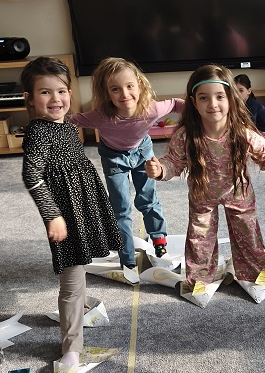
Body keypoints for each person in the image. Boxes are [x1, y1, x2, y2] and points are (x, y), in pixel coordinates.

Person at [21, 57, 122, 369]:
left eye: (61, 91)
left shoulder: (66, 125)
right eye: (45, 92)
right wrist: (52, 215)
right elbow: (32, 175)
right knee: (72, 277)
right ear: (29, 98)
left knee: (82, 262)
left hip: (82, 207)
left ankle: (82, 308)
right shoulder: (39, 133)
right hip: (65, 215)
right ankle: (71, 348)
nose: (56, 99)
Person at [144, 64, 265, 287]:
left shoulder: (242, 132)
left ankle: (253, 274)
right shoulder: (186, 136)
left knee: (248, 234)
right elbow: (173, 162)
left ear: (230, 99)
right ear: (194, 102)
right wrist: (160, 169)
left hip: (239, 194)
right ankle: (200, 278)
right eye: (204, 98)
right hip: (202, 196)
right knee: (199, 239)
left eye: (220, 96)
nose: (212, 104)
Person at [69, 57, 184, 269]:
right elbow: (72, 120)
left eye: (130, 86)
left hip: (142, 152)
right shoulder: (100, 116)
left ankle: (159, 242)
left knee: (148, 199)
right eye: (115, 89)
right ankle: (127, 258)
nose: (124, 94)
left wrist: (200, 113)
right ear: (106, 93)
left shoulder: (151, 109)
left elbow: (177, 104)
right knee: (120, 207)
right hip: (113, 157)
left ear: (139, 86)